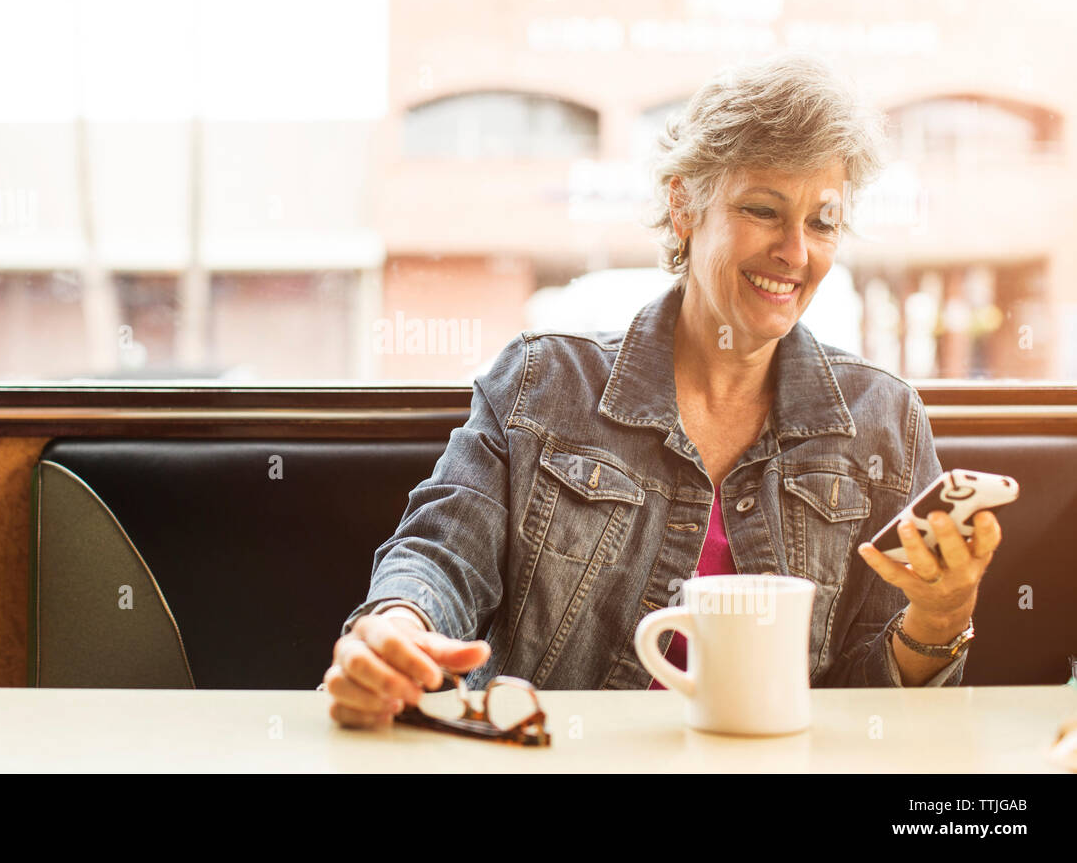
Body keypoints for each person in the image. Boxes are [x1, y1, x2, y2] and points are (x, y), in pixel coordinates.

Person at [324, 52, 1003, 729]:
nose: (796, 253)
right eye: (764, 210)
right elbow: (439, 555)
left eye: (822, 222)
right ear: (684, 205)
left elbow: (870, 715)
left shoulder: (883, 419)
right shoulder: (542, 385)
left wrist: (940, 617)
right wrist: (397, 627)